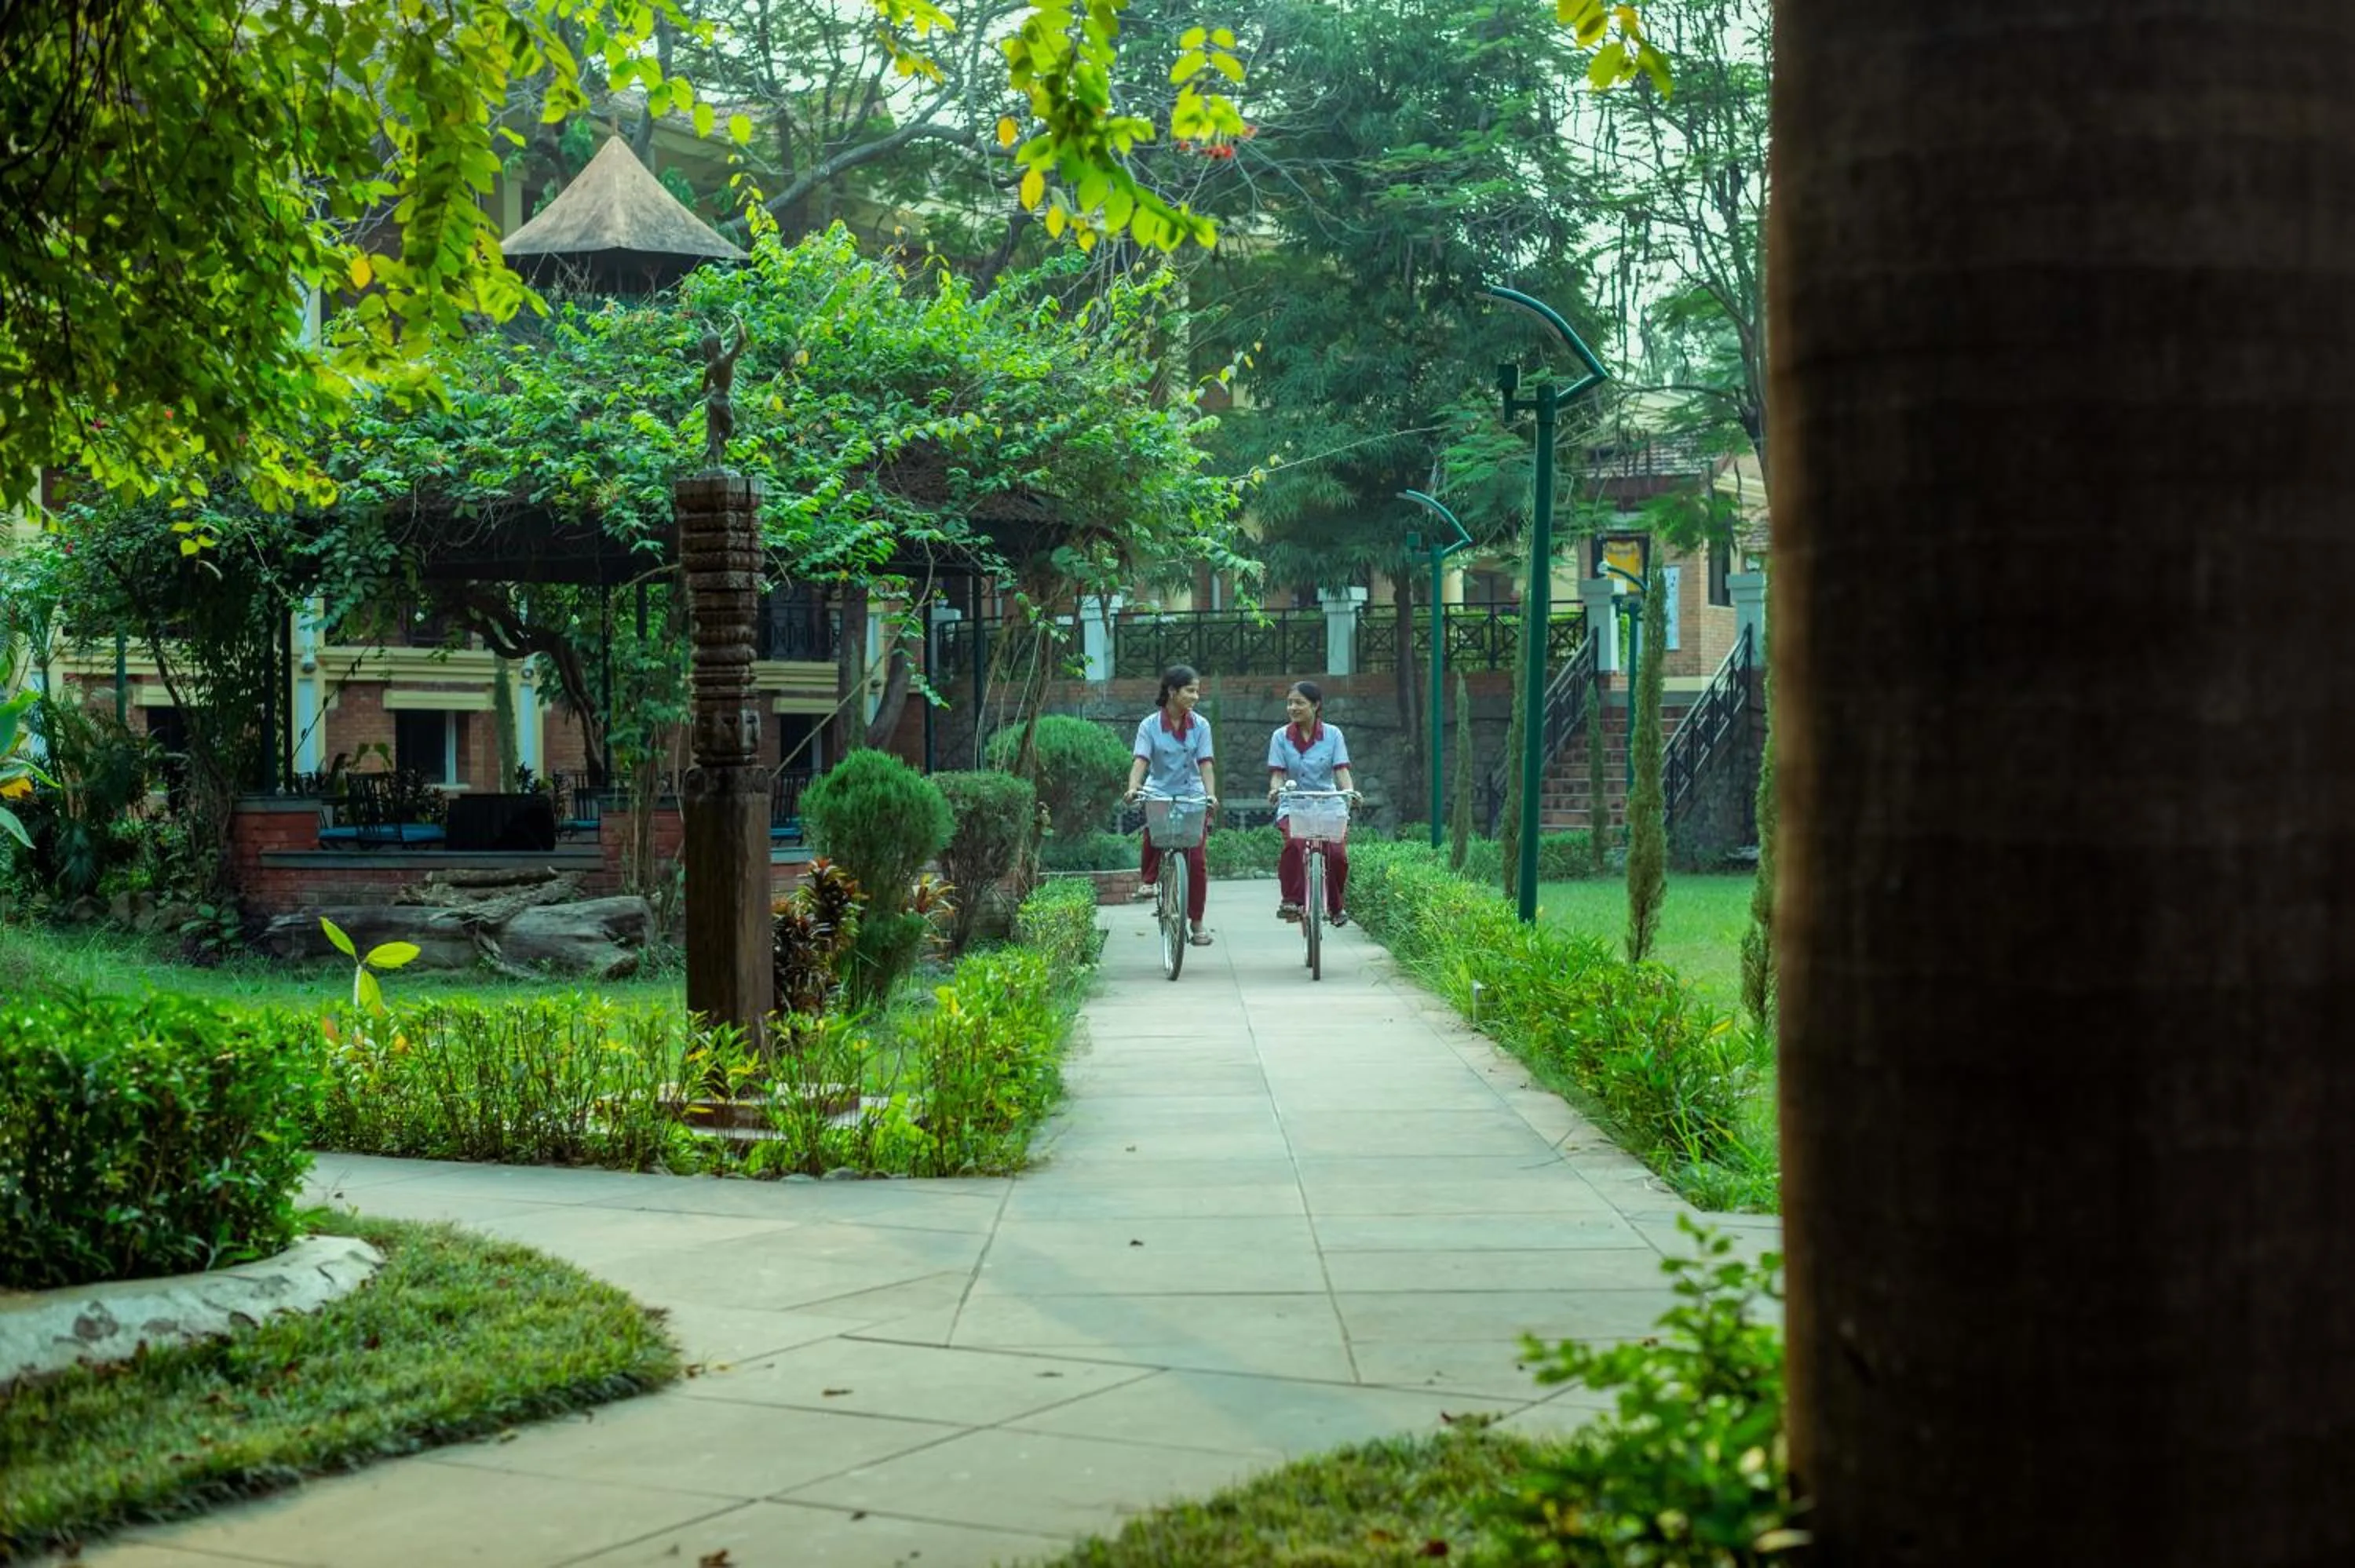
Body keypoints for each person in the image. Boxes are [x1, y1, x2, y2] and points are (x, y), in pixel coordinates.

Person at [1125, 665, 1219, 946]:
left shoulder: (1201, 725)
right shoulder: (1149, 726)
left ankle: (1198, 921)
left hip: (1192, 792)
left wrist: (1211, 796)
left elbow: (1206, 764)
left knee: (1198, 861)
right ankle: (1149, 880)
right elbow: (1141, 760)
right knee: (1154, 830)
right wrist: (1133, 787)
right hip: (1160, 788)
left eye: (1197, 691)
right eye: (1190, 690)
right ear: (1172, 691)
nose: (1195, 697)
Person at [1266, 680, 1356, 925]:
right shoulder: (1280, 737)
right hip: (1294, 802)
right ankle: (1291, 900)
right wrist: (1276, 791)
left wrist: (1349, 792)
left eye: (1299, 703)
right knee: (1294, 844)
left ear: (1315, 705)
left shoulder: (1333, 735)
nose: (1293, 708)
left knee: (1337, 855)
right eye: (1290, 703)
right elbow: (1277, 774)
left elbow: (1341, 770)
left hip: (1328, 802)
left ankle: (1337, 907)